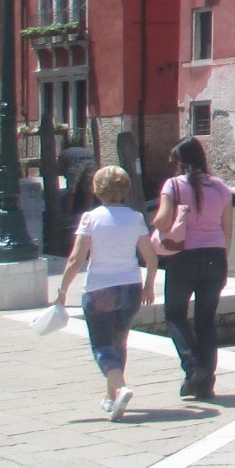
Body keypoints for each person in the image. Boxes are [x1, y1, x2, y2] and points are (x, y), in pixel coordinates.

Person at [56, 165, 158, 421]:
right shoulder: (135, 218)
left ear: (97, 189)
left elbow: (76, 259)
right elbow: (151, 258)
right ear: (124, 189)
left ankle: (121, 388)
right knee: (119, 342)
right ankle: (112, 398)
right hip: (131, 288)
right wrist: (148, 285)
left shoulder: (91, 219)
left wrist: (62, 290)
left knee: (102, 346)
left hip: (100, 289)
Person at [153, 137, 233, 401]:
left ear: (180, 162)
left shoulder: (173, 185)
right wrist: (225, 263)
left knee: (175, 314)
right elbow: (227, 230)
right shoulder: (221, 187)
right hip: (215, 257)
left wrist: (159, 216)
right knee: (206, 321)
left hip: (183, 257)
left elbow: (162, 221)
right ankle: (206, 384)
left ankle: (193, 366)